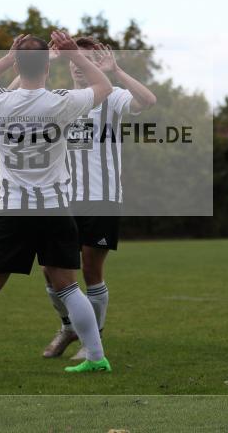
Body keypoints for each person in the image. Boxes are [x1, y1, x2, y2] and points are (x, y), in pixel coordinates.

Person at [0, 31, 113, 376]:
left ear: (18, 65)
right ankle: (96, 357)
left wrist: (8, 57)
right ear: (47, 67)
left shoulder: (0, 102)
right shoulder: (61, 102)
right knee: (69, 287)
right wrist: (73, 54)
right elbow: (104, 87)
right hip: (54, 208)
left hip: (14, 208)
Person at [40, 37, 156, 361]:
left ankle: (94, 339)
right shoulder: (64, 99)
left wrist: (116, 71)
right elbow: (19, 100)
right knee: (50, 268)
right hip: (64, 198)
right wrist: (43, 61)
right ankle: (68, 327)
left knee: (91, 269)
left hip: (102, 198)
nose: (79, 66)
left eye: (86, 60)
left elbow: (147, 100)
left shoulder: (113, 97)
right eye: (74, 60)